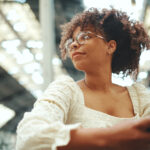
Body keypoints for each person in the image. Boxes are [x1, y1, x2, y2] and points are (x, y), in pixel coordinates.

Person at [16, 8, 150, 150]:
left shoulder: (139, 98)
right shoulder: (66, 91)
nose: (74, 44)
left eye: (85, 37)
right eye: (72, 41)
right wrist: (111, 138)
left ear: (110, 46)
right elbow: (29, 135)